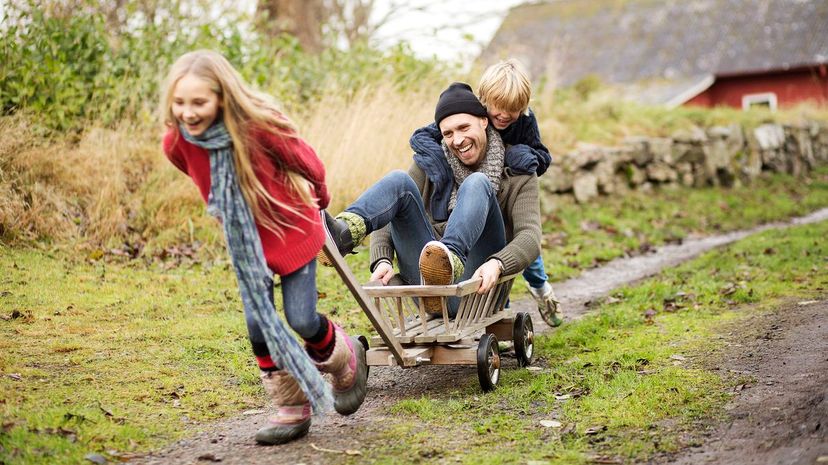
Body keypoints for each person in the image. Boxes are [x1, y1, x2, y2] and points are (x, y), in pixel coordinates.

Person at [160, 50, 367, 446]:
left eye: (199, 102)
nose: (188, 112)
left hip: (292, 229)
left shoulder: (257, 129)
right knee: (258, 324)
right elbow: (198, 173)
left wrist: (320, 195)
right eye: (180, 102)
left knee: (301, 318)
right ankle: (291, 406)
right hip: (247, 243)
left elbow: (307, 161)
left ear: (222, 97)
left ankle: (347, 358)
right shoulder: (178, 143)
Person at [322, 82, 542, 316]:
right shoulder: (429, 162)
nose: (457, 140)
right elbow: (387, 211)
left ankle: (451, 258)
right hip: (426, 286)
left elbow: (530, 236)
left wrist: (498, 263)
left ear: (484, 121)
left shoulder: (519, 169)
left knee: (477, 183)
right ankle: (343, 233)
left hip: (475, 287)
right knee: (399, 181)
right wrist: (382, 260)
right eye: (448, 133)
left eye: (464, 127)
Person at [408, 59, 563, 327]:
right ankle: (496, 312)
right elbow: (429, 133)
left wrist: (519, 155)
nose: (503, 116)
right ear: (483, 104)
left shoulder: (525, 122)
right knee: (489, 247)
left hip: (507, 193)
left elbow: (542, 157)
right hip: (480, 197)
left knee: (528, 258)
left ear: (523, 107)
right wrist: (429, 153)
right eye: (497, 110)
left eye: (512, 111)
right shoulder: (470, 115)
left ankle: (541, 292)